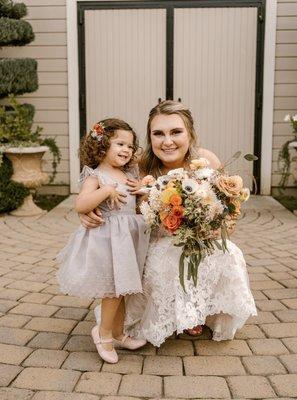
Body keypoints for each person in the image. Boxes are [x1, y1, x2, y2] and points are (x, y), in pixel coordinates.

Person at [81, 101, 257, 347]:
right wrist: (86, 210)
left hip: (200, 239)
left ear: (190, 133)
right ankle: (168, 316)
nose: (167, 141)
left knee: (227, 251)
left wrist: (215, 225)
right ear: (150, 136)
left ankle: (197, 311)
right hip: (154, 242)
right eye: (158, 133)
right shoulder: (136, 166)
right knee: (166, 256)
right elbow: (101, 181)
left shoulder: (207, 161)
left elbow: (230, 214)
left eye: (176, 132)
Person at [57, 118, 149, 363]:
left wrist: (142, 188)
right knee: (112, 291)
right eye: (120, 143)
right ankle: (103, 332)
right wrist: (106, 190)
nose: (126, 150)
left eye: (130, 146)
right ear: (102, 145)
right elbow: (81, 204)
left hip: (128, 239)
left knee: (124, 290)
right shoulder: (95, 175)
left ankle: (119, 333)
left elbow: (136, 201)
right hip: (108, 241)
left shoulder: (128, 173)